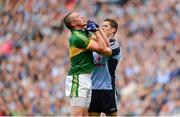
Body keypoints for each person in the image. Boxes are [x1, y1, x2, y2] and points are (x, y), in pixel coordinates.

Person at [63, 12, 120, 116]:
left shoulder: (84, 34)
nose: (82, 16)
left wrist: (97, 30)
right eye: (78, 17)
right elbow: (103, 48)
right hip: (79, 77)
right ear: (73, 23)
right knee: (78, 115)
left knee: (84, 115)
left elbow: (106, 44)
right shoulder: (78, 37)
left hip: (87, 79)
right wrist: (96, 31)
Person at [88, 19, 122, 116]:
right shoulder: (94, 44)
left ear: (113, 30)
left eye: (105, 26)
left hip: (107, 89)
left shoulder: (115, 46)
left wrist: (95, 32)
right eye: (101, 26)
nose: (102, 28)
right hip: (93, 89)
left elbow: (103, 50)